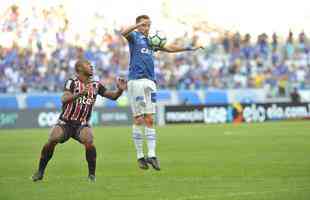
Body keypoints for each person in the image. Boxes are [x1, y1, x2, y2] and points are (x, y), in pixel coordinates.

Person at [121, 14, 203, 170]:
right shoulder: (134, 38)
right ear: (138, 25)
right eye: (144, 25)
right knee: (139, 119)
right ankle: (140, 157)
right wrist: (137, 26)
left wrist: (189, 48)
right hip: (136, 81)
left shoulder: (152, 41)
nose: (146, 28)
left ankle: (152, 155)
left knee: (150, 119)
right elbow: (123, 32)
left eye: (148, 26)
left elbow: (170, 48)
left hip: (151, 82)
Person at [32, 59, 127, 182]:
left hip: (82, 124)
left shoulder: (96, 85)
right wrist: (80, 93)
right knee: (53, 139)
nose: (91, 66)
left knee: (89, 140)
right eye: (88, 65)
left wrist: (120, 90)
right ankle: (40, 171)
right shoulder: (71, 82)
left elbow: (113, 96)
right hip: (65, 122)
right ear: (80, 69)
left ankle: (92, 175)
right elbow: (64, 99)